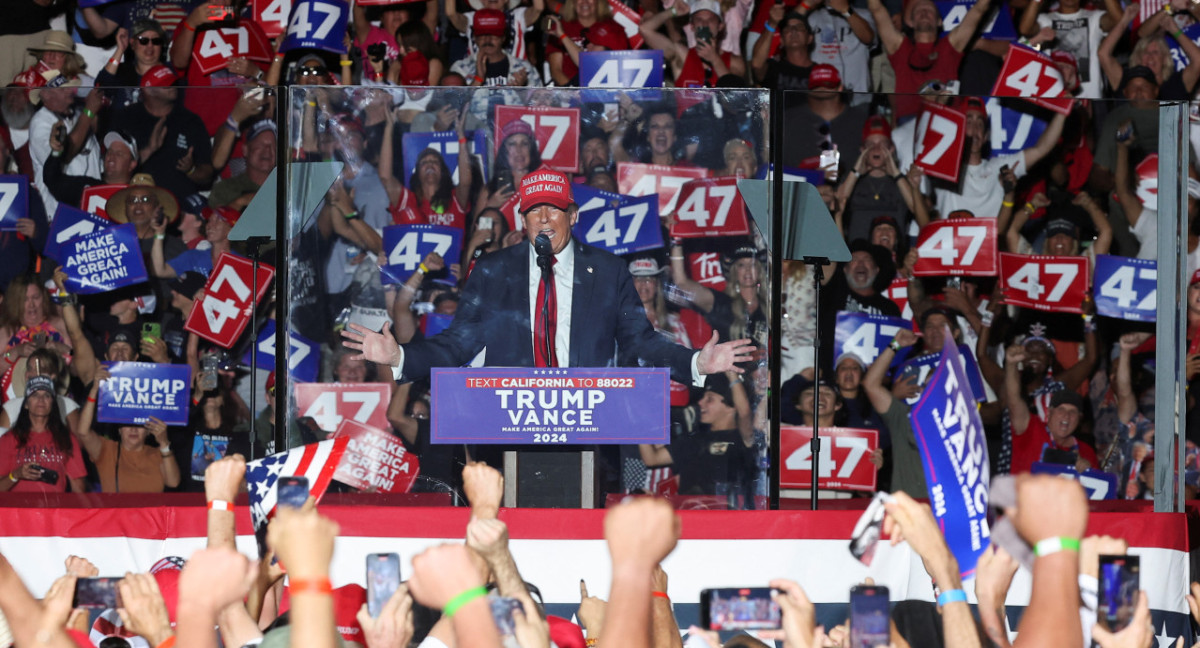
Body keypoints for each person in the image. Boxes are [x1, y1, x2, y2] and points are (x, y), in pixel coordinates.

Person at [343, 167, 754, 385]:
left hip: (586, 418)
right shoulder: (492, 271)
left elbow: (641, 342)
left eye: (553, 209)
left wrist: (698, 361)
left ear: (572, 216)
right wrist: (400, 356)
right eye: (533, 210)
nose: (543, 219)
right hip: (510, 419)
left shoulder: (608, 271)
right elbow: (457, 344)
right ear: (520, 220)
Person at [868, 0, 992, 121]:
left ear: (939, 21)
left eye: (930, 10)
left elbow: (979, 10)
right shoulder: (900, 49)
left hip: (945, 119)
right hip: (911, 121)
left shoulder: (950, 47)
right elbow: (877, 10)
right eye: (918, 10)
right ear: (910, 22)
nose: (924, 12)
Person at [74, 366, 181, 493]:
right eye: (128, 424)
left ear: (148, 431)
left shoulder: (158, 454)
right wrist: (95, 389)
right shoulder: (107, 450)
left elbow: (173, 482)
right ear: (119, 429)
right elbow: (83, 432)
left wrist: (164, 444)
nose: (133, 430)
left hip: (151, 513)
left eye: (139, 426)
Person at [1005, 343, 1098, 473]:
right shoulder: (1031, 429)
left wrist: (1089, 473)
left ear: (1080, 419)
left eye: (1073, 412)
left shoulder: (1086, 451)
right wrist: (1011, 365)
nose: (1066, 416)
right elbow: (1014, 400)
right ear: (1049, 413)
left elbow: (1100, 490)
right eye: (1061, 410)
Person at [0, 376, 87, 493]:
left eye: (47, 395)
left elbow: (79, 487)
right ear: (26, 404)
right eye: (35, 395)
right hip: (19, 509)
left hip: (54, 508)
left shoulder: (66, 438)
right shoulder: (9, 439)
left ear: (53, 403)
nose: (41, 400)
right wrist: (16, 474)